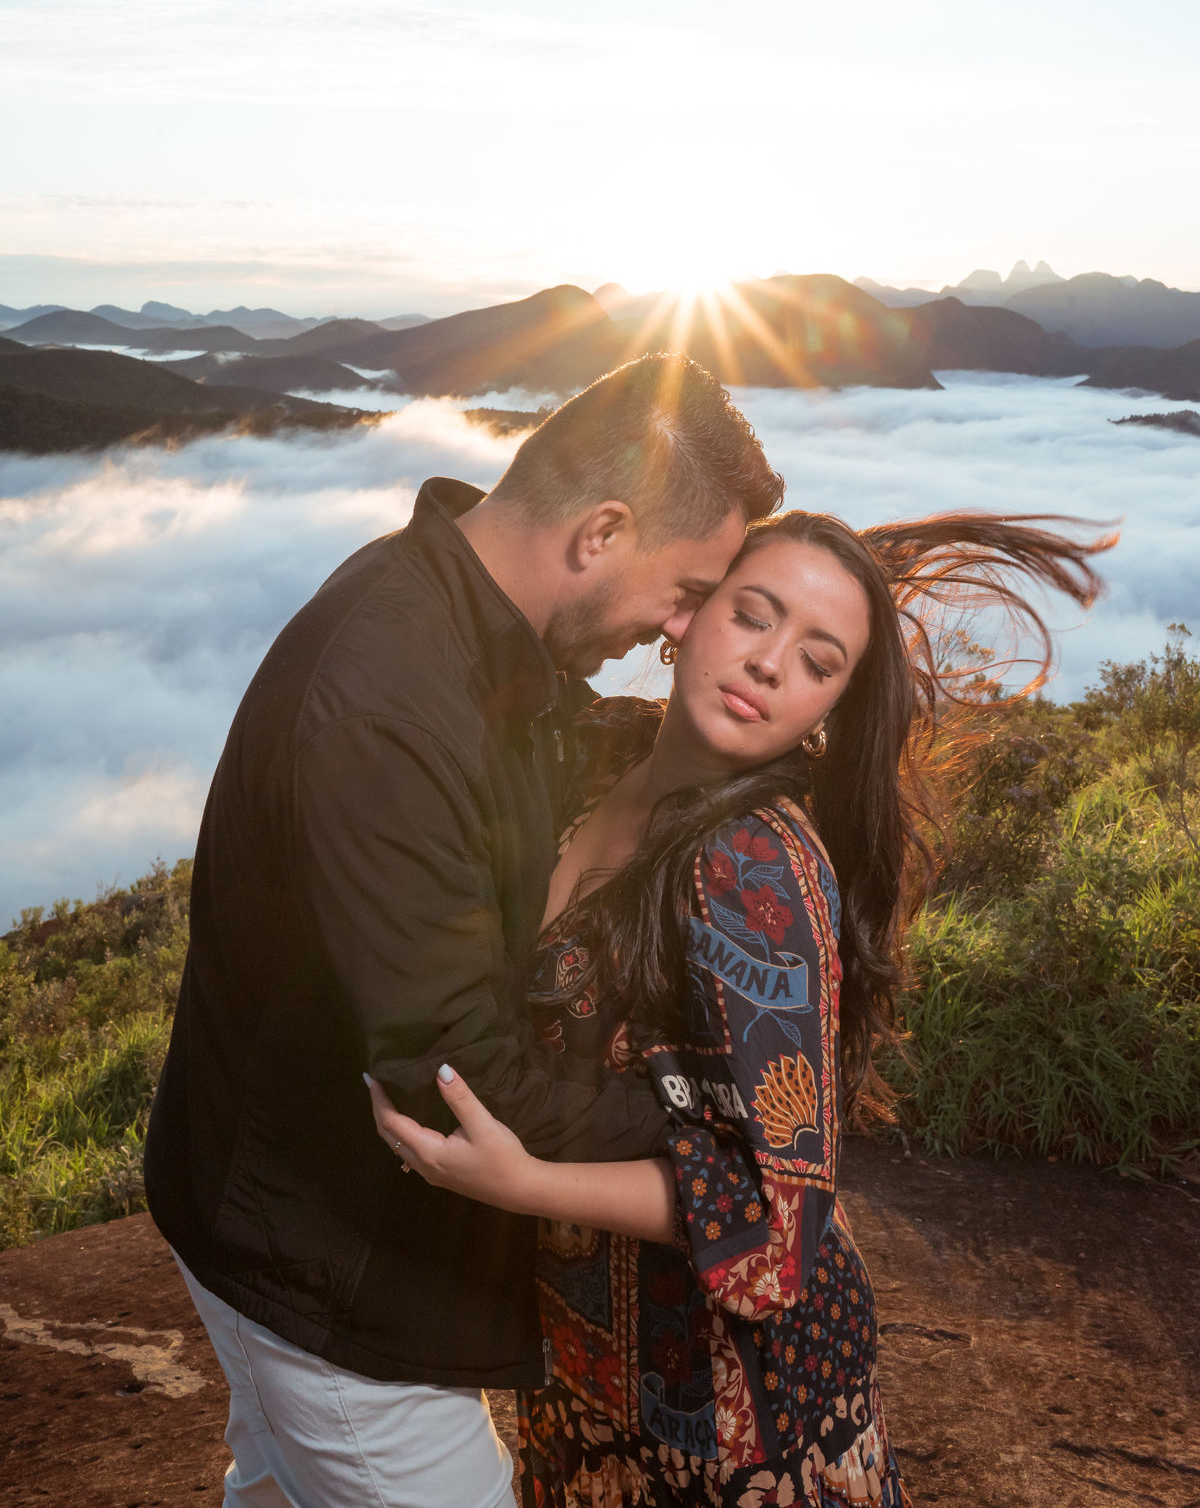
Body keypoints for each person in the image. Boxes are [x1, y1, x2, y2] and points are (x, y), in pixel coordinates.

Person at [370, 507, 1112, 1506]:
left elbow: (779, 1222)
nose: (767, 665)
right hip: (588, 1375)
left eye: (817, 661)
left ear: (831, 706)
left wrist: (518, 1183)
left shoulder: (751, 863)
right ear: (685, 613)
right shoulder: (594, 758)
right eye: (751, 615)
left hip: (743, 1425)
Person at [145, 353, 785, 1508]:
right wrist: (704, 1108)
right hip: (326, 1269)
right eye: (687, 591)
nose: (676, 633)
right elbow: (461, 1077)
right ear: (600, 533)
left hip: (263, 1214)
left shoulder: (454, 620)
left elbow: (525, 745)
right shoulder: (389, 701)